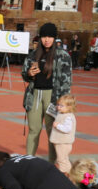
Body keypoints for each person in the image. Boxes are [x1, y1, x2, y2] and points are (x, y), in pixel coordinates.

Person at [22, 23, 73, 163]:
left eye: (50, 36)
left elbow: (67, 81)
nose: (47, 40)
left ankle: (51, 164)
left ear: (55, 38)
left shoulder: (63, 56)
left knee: (53, 132)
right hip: (34, 95)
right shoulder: (33, 55)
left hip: (53, 97)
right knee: (33, 130)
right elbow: (24, 74)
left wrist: (63, 103)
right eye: (44, 36)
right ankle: (29, 161)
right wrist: (29, 73)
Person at [49, 94, 77, 173]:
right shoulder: (62, 113)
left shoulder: (68, 117)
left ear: (69, 107)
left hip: (63, 143)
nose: (58, 107)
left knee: (62, 160)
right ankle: (67, 172)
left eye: (61, 106)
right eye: (58, 105)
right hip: (60, 142)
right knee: (63, 159)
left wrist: (58, 125)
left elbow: (67, 129)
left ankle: (64, 172)